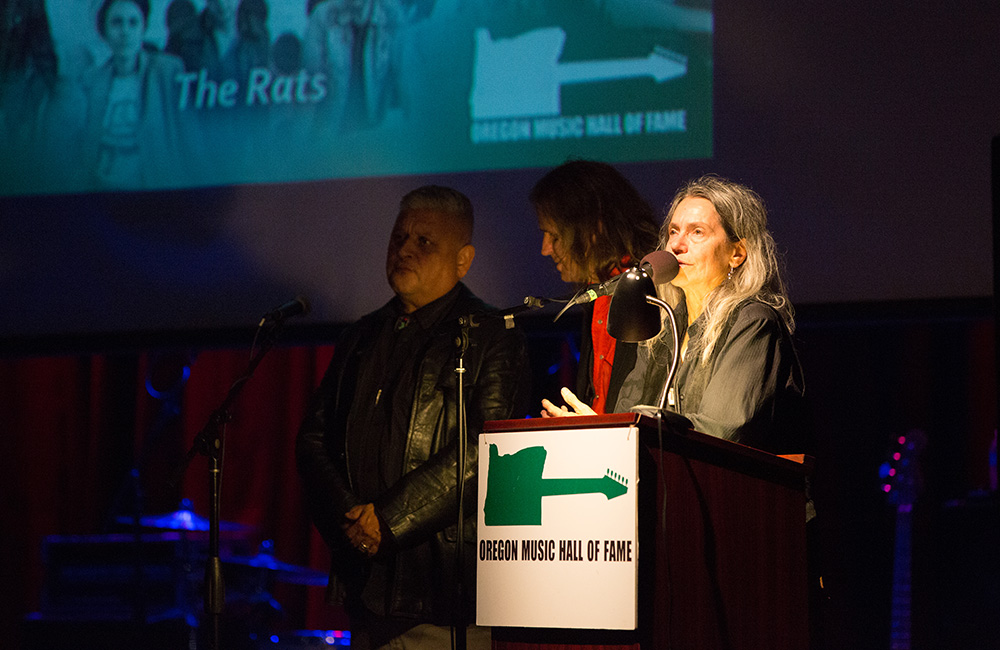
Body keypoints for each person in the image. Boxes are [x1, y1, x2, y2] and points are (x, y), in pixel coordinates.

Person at [296, 185, 531, 650]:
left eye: (424, 242)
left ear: (463, 260)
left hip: (443, 602)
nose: (404, 249)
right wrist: (352, 520)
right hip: (365, 593)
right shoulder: (361, 336)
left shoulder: (491, 335)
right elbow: (312, 440)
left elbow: (487, 449)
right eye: (398, 237)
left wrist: (387, 520)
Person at [542, 174, 806, 454]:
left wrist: (620, 431)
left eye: (697, 232)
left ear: (737, 254)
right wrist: (599, 429)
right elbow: (627, 417)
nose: (677, 246)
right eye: (673, 231)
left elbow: (721, 431)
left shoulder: (753, 321)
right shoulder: (663, 325)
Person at [531, 159, 661, 414]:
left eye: (555, 236)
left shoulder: (649, 291)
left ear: (593, 228)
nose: (545, 249)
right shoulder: (596, 293)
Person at [78, 0, 196, 189]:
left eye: (133, 23)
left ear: (143, 28)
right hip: (100, 191)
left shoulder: (167, 71)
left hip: (155, 191)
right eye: (117, 23)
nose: (125, 31)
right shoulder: (90, 81)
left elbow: (187, 138)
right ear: (104, 31)